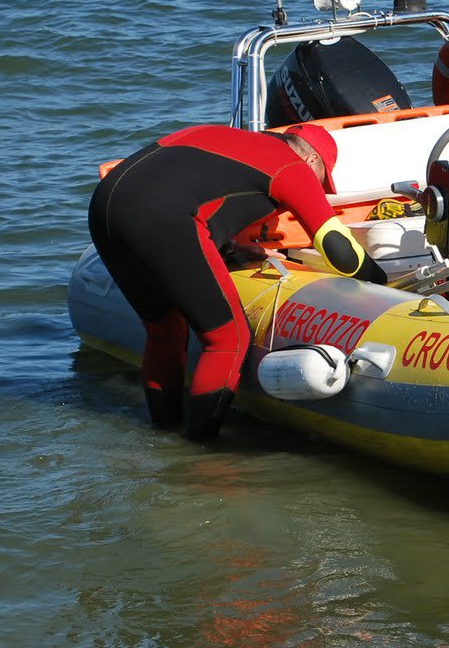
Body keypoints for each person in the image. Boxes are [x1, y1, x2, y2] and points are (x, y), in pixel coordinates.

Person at [87, 122, 386, 441]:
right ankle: (199, 449)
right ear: (312, 160)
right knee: (228, 338)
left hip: (105, 205)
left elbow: (191, 186)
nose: (319, 189)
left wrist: (229, 248)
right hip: (164, 217)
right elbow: (339, 249)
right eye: (323, 182)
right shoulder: (291, 166)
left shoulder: (230, 138)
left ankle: (163, 433)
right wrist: (383, 282)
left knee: (164, 330)